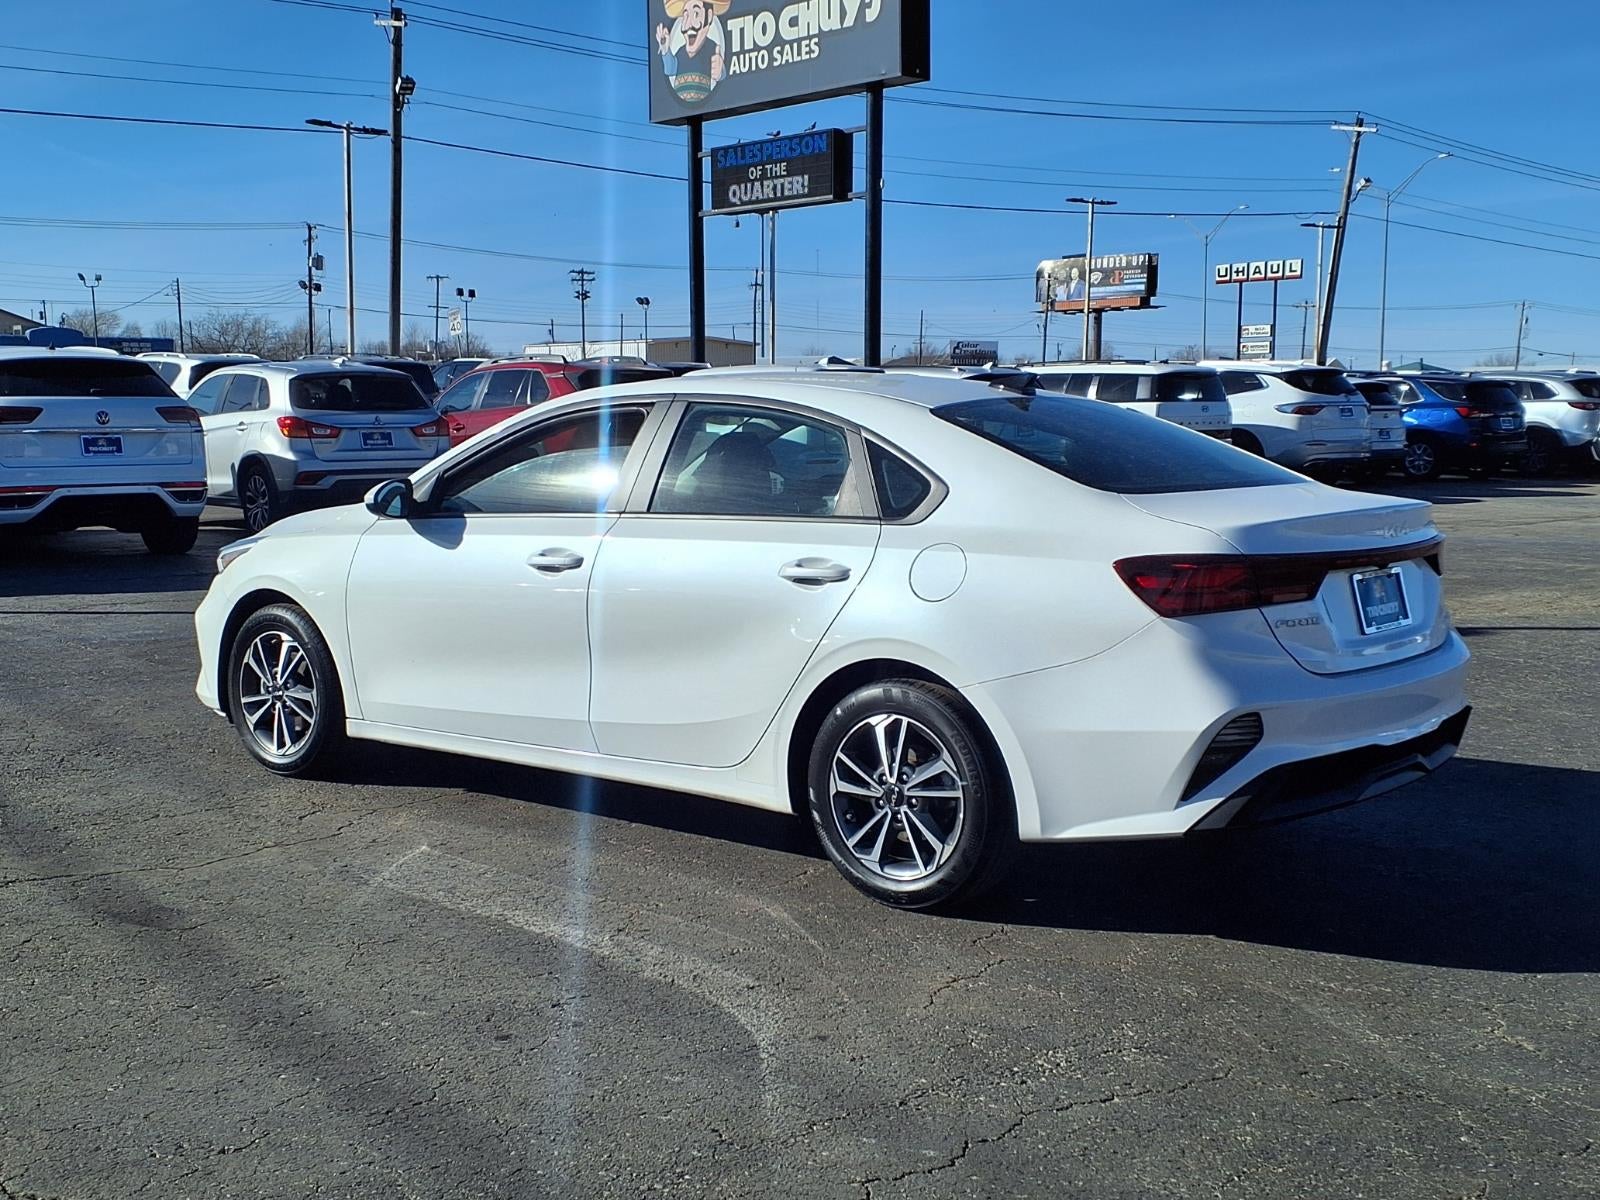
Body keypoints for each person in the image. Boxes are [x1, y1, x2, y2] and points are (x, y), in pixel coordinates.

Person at [655, 0, 729, 105]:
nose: (688, 25)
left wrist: (720, 72)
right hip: (680, 107)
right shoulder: (681, 52)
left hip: (705, 103)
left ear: (709, 16)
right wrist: (665, 49)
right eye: (685, 16)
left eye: (696, 14)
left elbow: (721, 73)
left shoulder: (712, 48)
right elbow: (670, 70)